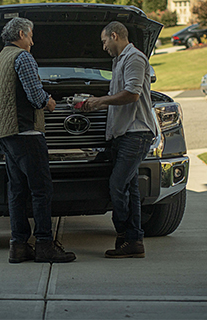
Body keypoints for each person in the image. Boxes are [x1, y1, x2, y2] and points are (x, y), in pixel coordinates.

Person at [0, 17, 76, 264]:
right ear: (20, 33)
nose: (32, 41)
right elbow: (34, 95)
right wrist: (49, 101)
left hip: (5, 133)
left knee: (17, 190)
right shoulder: (22, 57)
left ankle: (18, 245)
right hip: (26, 131)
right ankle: (44, 245)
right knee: (41, 190)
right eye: (30, 36)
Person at [82, 21, 159, 259]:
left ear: (114, 36)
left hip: (136, 133)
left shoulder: (134, 59)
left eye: (104, 41)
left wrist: (101, 101)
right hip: (124, 133)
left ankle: (125, 235)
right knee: (130, 188)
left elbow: (132, 94)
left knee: (117, 185)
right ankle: (133, 241)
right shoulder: (119, 61)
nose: (103, 47)